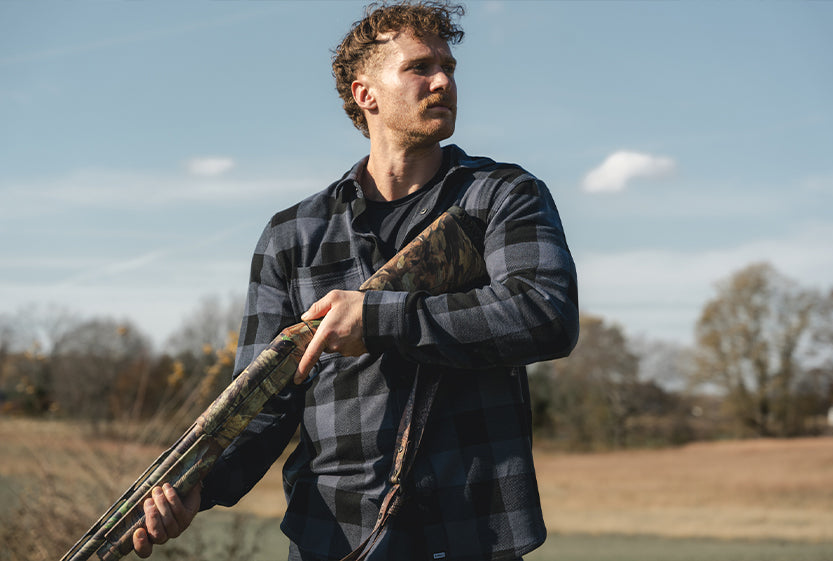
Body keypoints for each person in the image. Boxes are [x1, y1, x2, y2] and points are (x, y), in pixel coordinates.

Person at [132, 1, 579, 560]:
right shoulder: (292, 235)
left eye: (450, 67)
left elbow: (544, 313)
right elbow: (266, 398)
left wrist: (377, 318)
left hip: (471, 532)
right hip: (333, 533)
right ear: (365, 92)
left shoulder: (502, 196)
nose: (443, 80)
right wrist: (201, 485)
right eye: (419, 67)